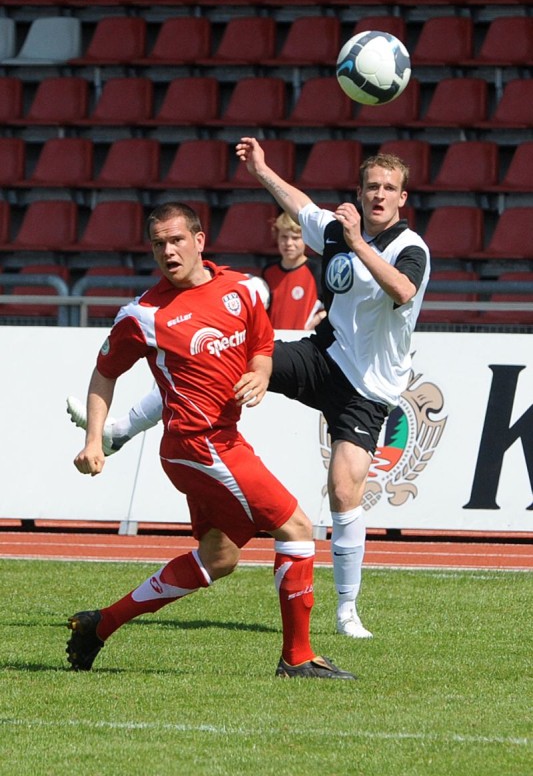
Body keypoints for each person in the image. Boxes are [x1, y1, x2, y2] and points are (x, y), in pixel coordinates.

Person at [67, 142, 430, 640]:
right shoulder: (336, 230)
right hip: (325, 355)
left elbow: (402, 291)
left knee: (344, 489)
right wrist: (261, 169)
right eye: (372, 187)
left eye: (389, 188)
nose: (379, 195)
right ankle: (119, 431)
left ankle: (347, 611)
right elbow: (300, 206)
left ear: (402, 198)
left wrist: (356, 241)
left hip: (369, 386)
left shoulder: (410, 247)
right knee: (218, 358)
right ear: (361, 193)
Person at [66, 201, 354, 680]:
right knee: (299, 529)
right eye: (158, 244)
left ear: (200, 241)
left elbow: (262, 346)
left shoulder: (240, 289)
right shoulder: (142, 314)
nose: (167, 251)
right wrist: (96, 439)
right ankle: (298, 658)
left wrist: (260, 375)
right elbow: (104, 373)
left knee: (219, 559)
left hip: (221, 441)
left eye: (176, 240)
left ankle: (100, 625)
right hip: (197, 446)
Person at [263, 211, 326, 330]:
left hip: (303, 342)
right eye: (284, 237)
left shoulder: (317, 271)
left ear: (306, 239)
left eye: (296, 238)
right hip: (274, 341)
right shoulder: (268, 271)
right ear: (276, 236)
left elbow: (336, 307)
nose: (288, 243)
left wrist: (319, 318)